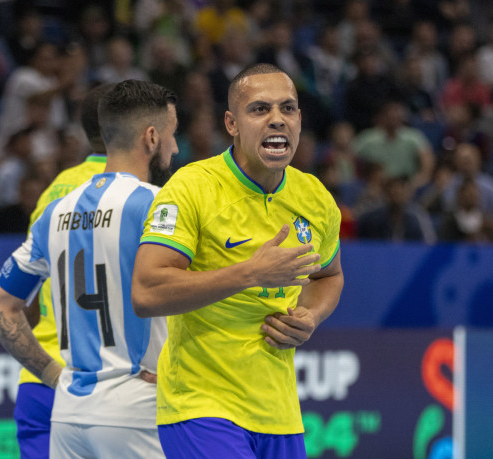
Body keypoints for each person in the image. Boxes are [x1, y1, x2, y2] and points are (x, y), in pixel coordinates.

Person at [132, 63, 343, 459]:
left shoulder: (315, 198)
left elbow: (328, 275)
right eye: (260, 109)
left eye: (288, 109)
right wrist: (250, 273)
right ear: (232, 123)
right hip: (200, 406)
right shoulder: (192, 188)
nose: (277, 119)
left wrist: (311, 316)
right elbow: (146, 291)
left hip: (280, 413)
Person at [0, 80, 178, 458]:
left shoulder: (56, 209)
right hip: (137, 408)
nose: (176, 146)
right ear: (151, 138)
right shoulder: (159, 205)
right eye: (172, 135)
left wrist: (54, 375)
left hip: (70, 413)